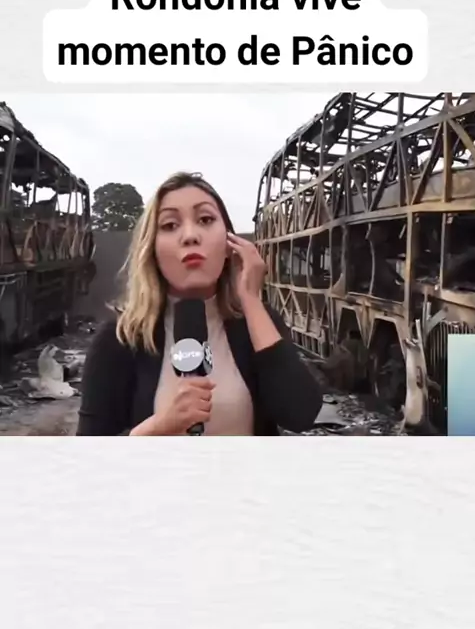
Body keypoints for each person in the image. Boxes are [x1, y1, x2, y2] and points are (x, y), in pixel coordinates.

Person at [77, 171, 323, 436]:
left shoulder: (256, 323)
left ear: (229, 244)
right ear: (152, 251)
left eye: (205, 219)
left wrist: (251, 299)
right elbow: (89, 453)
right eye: (170, 225)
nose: (190, 236)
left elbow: (301, 415)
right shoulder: (120, 338)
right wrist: (154, 430)